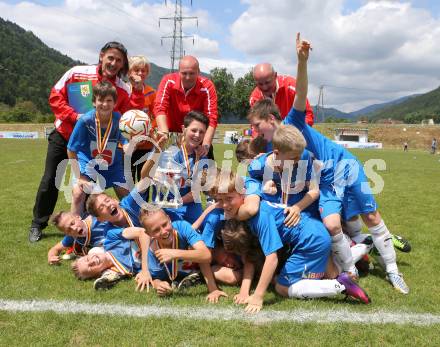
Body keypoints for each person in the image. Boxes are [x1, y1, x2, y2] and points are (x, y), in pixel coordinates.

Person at [280, 33, 409, 294]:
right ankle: (349, 271)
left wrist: (302, 62)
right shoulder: (273, 144)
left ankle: (393, 270)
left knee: (370, 215)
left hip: (344, 166)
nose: (261, 131)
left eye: (262, 126)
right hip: (325, 181)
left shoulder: (291, 121)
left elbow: (302, 92)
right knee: (331, 224)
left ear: (270, 119)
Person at [29, 41, 144, 243]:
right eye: (111, 57)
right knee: (50, 179)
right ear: (101, 56)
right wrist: (76, 117)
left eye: (119, 60)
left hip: (98, 148)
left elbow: (129, 116)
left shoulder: (122, 88)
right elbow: (55, 97)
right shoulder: (78, 72)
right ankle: (38, 224)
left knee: (95, 189)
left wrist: (137, 90)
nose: (114, 63)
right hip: (66, 134)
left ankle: (118, 227)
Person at [211, 171, 371, 314]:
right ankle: (363, 247)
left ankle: (341, 286)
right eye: (220, 200)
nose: (224, 205)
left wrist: (258, 296)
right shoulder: (251, 204)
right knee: (331, 273)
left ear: (242, 194)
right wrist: (245, 291)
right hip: (316, 232)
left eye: (229, 199)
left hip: (310, 241)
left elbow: (271, 258)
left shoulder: (259, 217)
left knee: (281, 287)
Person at [67, 81, 129, 216]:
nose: (105, 104)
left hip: (112, 166)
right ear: (94, 102)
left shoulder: (119, 119)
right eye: (101, 100)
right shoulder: (85, 121)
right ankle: (74, 234)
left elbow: (125, 140)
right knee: (78, 193)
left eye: (109, 100)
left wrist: (127, 145)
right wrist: (79, 176)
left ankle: (133, 228)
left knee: (128, 197)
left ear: (114, 103)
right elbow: (71, 149)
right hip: (88, 166)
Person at [154, 56, 218, 159]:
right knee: (165, 172)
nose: (188, 77)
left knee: (207, 172)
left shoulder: (207, 86)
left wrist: (205, 145)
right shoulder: (168, 81)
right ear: (178, 72)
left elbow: (212, 117)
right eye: (184, 73)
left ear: (198, 72)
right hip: (172, 135)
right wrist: (164, 135)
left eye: (192, 73)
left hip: (197, 137)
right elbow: (160, 107)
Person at [139, 208, 211, 297]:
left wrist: (174, 253)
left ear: (169, 219)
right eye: (156, 230)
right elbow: (154, 278)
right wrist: (159, 285)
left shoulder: (182, 227)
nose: (164, 231)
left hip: (207, 262)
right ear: (149, 234)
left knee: (220, 274)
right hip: (182, 270)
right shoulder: (153, 252)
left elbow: (206, 255)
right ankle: (192, 275)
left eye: (165, 224)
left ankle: (196, 274)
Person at [71, 225, 151, 291]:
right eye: (90, 267)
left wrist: (145, 270)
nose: (92, 262)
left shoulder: (111, 238)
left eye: (87, 259)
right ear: (97, 274)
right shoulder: (120, 270)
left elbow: (143, 232)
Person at [249, 63, 314, 127]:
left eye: (267, 82)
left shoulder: (291, 87)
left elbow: (308, 115)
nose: (265, 87)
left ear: (275, 76)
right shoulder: (255, 98)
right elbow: (256, 125)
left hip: (296, 133)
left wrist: (293, 133)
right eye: (260, 84)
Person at [128, 55, 157, 183]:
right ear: (129, 72)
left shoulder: (151, 92)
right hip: (126, 145)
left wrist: (151, 130)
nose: (140, 73)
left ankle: (143, 203)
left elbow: (157, 115)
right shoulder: (123, 90)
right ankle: (127, 203)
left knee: (144, 180)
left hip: (146, 145)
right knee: (127, 181)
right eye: (136, 70)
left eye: (143, 70)